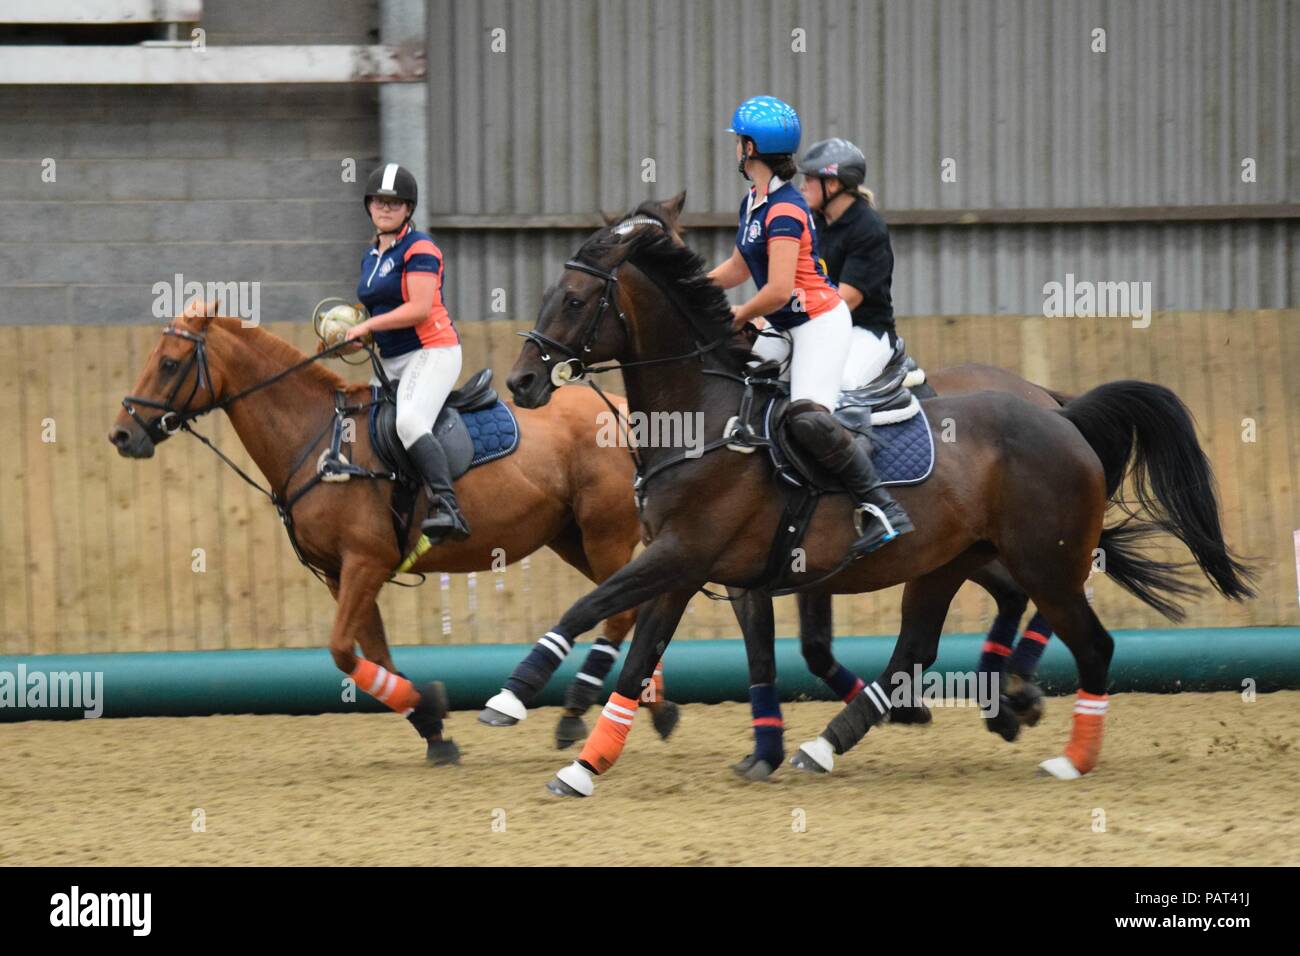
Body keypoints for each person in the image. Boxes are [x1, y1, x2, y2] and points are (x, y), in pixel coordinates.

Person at [707, 96, 911, 553]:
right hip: (787, 324)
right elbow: (739, 268)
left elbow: (777, 290)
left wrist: (735, 315)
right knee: (741, 382)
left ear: (750, 148)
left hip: (819, 324)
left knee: (808, 419)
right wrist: (693, 288)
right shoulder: (753, 203)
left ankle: (882, 508)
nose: (736, 149)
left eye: (739, 142)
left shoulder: (785, 210)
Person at [344, 162, 470, 543]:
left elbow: (417, 308)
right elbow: (376, 310)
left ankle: (447, 506)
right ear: (369, 206)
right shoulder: (372, 255)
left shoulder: (421, 248)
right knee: (364, 423)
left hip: (432, 350)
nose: (385, 209)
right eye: (379, 202)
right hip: (392, 359)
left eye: (394, 204)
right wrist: (353, 337)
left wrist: (367, 326)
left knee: (410, 423)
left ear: (408, 209)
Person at [796, 137, 898, 391]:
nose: (802, 186)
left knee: (842, 383)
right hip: (819, 326)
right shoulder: (813, 223)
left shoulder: (868, 228)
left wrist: (793, 315)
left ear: (831, 184)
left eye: (809, 179)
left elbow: (845, 301)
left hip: (864, 331)